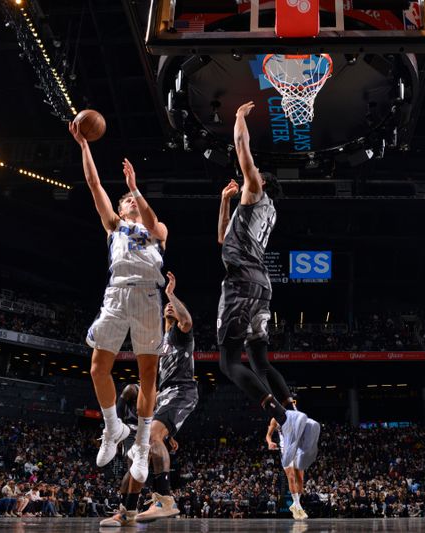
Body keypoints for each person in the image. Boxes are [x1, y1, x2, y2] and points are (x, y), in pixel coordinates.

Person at [216, 101, 317, 470]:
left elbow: (244, 152)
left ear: (259, 183)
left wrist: (239, 118)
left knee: (229, 362)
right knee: (260, 359)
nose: (248, 176)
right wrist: (224, 202)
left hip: (241, 283)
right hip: (261, 287)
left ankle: (284, 419)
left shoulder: (256, 192)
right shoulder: (264, 211)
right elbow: (221, 238)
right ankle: (293, 411)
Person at [69, 121, 167, 485]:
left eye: (131, 201)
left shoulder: (156, 230)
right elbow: (94, 185)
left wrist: (135, 188)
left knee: (147, 376)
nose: (128, 203)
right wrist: (84, 146)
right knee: (97, 368)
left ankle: (140, 444)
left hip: (147, 296)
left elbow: (155, 222)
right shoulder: (114, 225)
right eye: (126, 201)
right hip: (117, 292)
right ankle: (113, 428)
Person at [101, 271, 199, 526]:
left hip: (182, 390)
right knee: (136, 456)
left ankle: (165, 500)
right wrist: (170, 433)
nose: (168, 309)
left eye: (171, 308)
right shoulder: (161, 343)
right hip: (166, 397)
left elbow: (187, 320)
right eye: (166, 306)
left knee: (152, 439)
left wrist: (170, 294)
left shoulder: (180, 334)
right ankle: (127, 511)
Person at [266, 411, 321, 520]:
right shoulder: (275, 419)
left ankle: (295, 504)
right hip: (285, 450)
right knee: (291, 477)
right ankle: (298, 506)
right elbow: (268, 435)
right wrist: (270, 443)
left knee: (300, 479)